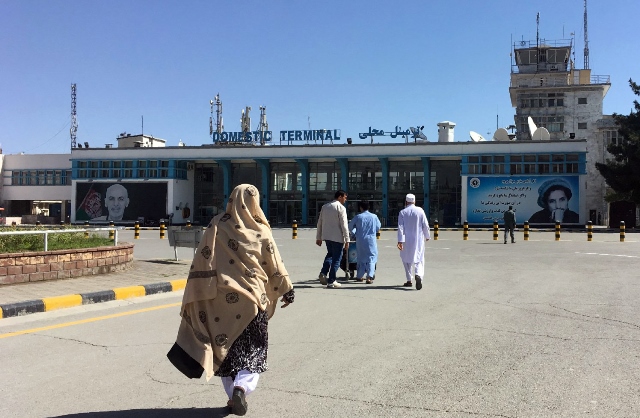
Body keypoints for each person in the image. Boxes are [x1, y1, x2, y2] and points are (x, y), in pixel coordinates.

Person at [166, 184, 294, 416]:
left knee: (224, 349)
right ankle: (241, 388)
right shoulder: (261, 230)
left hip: (221, 300)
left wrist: (198, 289)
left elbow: (203, 258)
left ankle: (232, 395)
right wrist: (287, 290)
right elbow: (275, 264)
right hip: (253, 301)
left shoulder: (217, 224)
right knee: (254, 349)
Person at [316, 190, 350, 289]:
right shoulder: (341, 208)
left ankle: (323, 272)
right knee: (337, 259)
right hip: (337, 237)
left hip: (327, 237)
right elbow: (344, 225)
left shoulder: (325, 207)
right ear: (340, 197)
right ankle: (331, 280)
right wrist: (347, 239)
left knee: (330, 255)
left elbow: (320, 222)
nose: (345, 199)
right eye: (345, 197)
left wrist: (319, 237)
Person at [397, 193, 430, 290]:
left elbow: (400, 227)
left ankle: (409, 280)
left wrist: (400, 241)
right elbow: (425, 224)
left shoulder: (402, 212)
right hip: (418, 240)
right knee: (419, 259)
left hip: (406, 240)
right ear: (414, 201)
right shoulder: (420, 211)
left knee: (406, 259)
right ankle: (418, 274)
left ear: (406, 202)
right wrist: (427, 235)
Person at [348, 201, 381, 284]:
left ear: (361, 208)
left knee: (361, 258)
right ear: (369, 207)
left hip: (360, 240)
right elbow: (378, 227)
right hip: (371, 240)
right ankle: (369, 277)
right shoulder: (374, 216)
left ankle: (359, 276)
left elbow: (350, 226)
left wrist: (355, 232)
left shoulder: (358, 217)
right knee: (371, 258)